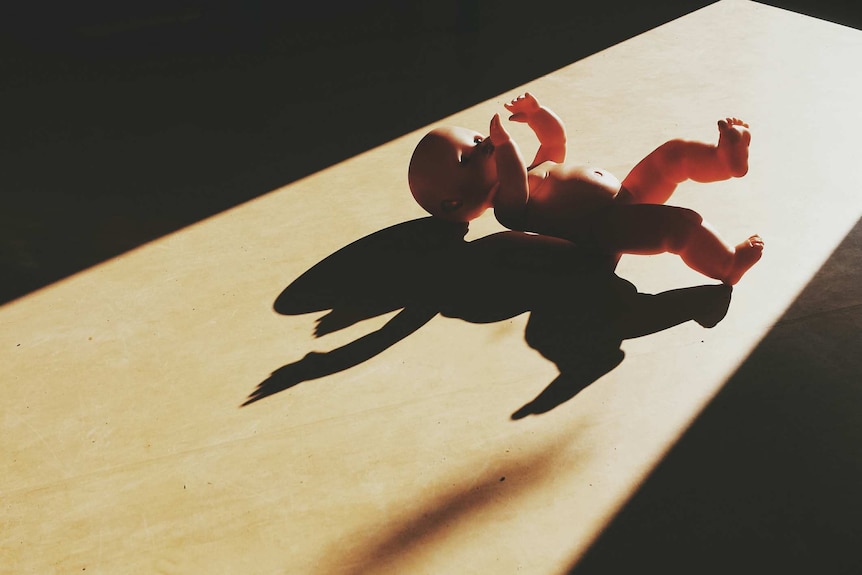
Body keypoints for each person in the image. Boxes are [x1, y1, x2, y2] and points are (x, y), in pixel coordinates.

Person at [408, 93, 763, 285]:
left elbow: (555, 142)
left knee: (672, 155)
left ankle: (723, 161)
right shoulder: (508, 208)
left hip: (623, 197)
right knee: (681, 225)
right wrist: (504, 147)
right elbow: (514, 180)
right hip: (603, 231)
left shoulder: (532, 169)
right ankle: (727, 264)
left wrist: (537, 114)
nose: (481, 144)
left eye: (474, 139)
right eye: (467, 159)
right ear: (455, 203)